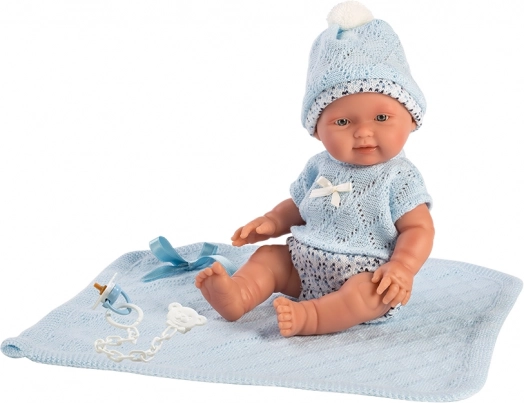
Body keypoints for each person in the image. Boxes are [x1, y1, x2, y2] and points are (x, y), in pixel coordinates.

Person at [195, 1, 434, 337]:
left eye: (381, 118)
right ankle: (239, 294)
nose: (363, 132)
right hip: (303, 263)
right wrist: (273, 221)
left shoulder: (400, 176)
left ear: (411, 120)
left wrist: (402, 267)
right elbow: (299, 205)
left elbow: (418, 229)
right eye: (343, 122)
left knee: (368, 294)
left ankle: (312, 317)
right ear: (317, 131)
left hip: (368, 274)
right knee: (269, 258)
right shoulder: (319, 166)